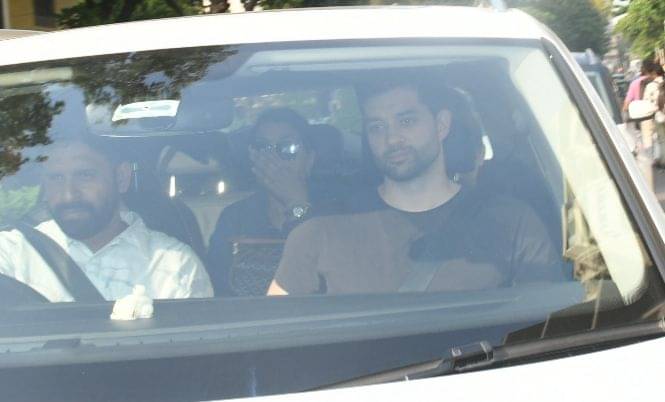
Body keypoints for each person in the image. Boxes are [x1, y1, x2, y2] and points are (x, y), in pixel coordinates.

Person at [267, 80, 568, 296]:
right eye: (377, 127)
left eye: (406, 121)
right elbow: (276, 338)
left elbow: (548, 328)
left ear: (442, 125)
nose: (391, 139)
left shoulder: (513, 223)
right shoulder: (321, 229)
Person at [0, 136, 214, 302]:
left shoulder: (175, 265)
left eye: (84, 175)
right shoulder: (12, 253)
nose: (68, 195)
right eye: (56, 178)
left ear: (121, 177)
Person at [206, 108, 317, 296]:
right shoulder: (235, 218)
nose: (273, 159)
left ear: (310, 160)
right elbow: (218, 291)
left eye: (287, 147)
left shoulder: (337, 214)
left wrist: (297, 204)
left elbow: (327, 280)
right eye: (262, 147)